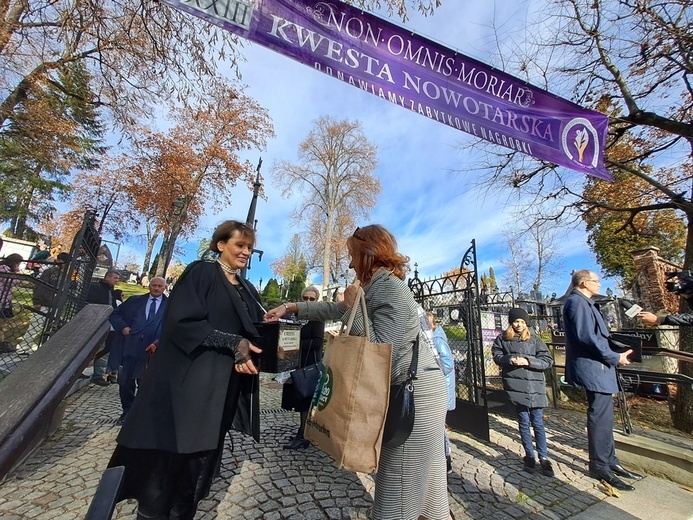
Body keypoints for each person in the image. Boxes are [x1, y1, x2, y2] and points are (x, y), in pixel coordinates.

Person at [265, 224, 450, 520]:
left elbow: (378, 351)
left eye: (352, 255)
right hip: (413, 390)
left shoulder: (390, 288)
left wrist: (352, 307)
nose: (350, 263)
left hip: (414, 397)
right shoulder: (376, 286)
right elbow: (331, 310)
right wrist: (290, 308)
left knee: (397, 488)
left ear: (368, 253)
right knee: (428, 490)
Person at [107, 220, 263, 520]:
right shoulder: (203, 272)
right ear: (221, 245)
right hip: (190, 381)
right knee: (178, 450)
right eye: (239, 245)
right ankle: (154, 512)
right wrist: (232, 341)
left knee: (203, 456)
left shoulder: (246, 287)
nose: (246, 252)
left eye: (249, 248)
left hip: (224, 385)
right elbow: (182, 322)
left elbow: (256, 328)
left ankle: (183, 510)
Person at [563, 270, 642, 491]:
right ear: (584, 283)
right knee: (599, 416)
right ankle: (599, 465)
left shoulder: (585, 302)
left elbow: (598, 335)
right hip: (594, 367)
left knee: (606, 416)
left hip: (600, 366)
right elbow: (586, 336)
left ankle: (610, 461)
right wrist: (614, 357)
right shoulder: (576, 302)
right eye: (596, 281)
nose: (599, 284)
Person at [492, 308, 554, 476]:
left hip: (534, 386)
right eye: (516, 321)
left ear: (526, 323)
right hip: (516, 385)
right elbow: (497, 356)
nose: (519, 324)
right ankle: (529, 455)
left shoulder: (535, 340)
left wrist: (528, 361)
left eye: (522, 322)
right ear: (511, 322)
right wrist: (509, 359)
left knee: (538, 423)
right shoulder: (503, 339)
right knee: (524, 422)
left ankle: (544, 456)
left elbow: (547, 361)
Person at [108, 277, 167, 423]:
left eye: (160, 286)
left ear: (164, 288)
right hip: (131, 346)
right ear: (149, 286)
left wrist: (158, 342)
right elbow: (115, 315)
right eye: (154, 285)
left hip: (154, 350)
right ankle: (127, 411)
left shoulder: (171, 305)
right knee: (126, 381)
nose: (156, 288)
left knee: (146, 383)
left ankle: (141, 414)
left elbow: (173, 326)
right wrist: (123, 327)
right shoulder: (135, 301)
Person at [281, 285, 325, 450]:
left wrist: (295, 342)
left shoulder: (317, 317)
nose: (307, 301)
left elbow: (318, 342)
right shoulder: (294, 316)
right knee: (299, 401)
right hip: (294, 364)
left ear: (316, 300)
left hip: (308, 365)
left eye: (311, 299)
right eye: (305, 298)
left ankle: (303, 435)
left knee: (306, 401)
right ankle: (303, 431)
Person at [16, 252, 69, 352]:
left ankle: (45, 348)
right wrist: (37, 301)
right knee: (36, 326)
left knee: (52, 327)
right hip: (44, 302)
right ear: (57, 260)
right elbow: (39, 286)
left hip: (56, 305)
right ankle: (23, 348)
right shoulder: (48, 272)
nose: (63, 264)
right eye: (62, 261)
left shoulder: (66, 276)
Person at [426, 311, 456, 474]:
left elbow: (447, 364)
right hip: (436, 388)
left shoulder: (437, 340)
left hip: (441, 388)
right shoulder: (430, 338)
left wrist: (430, 372)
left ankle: (446, 459)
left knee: (438, 426)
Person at [87, 269, 120, 386]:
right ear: (107, 277)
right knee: (93, 348)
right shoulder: (96, 288)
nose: (117, 281)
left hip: (107, 325)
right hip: (94, 323)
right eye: (115, 278)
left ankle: (98, 374)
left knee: (104, 349)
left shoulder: (111, 292)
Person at [0, 254, 24, 353]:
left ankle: (1, 343)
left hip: (5, 300)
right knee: (1, 324)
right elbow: (13, 281)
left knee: (3, 324)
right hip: (2, 300)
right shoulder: (4, 268)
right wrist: (17, 271)